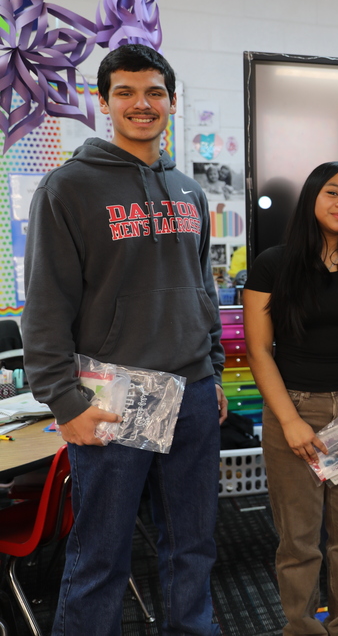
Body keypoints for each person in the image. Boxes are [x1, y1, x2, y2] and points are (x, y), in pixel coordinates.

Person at [22, 44, 227, 635]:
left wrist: (211, 369)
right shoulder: (68, 189)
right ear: (104, 102)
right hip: (115, 394)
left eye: (155, 92)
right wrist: (65, 402)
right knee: (101, 555)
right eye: (127, 93)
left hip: (190, 389)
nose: (143, 104)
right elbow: (46, 305)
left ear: (171, 101)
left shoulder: (187, 190)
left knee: (193, 546)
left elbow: (201, 286)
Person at [243, 161, 338, 635]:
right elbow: (258, 350)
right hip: (295, 409)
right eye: (333, 192)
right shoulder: (273, 262)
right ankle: (302, 629)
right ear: (312, 197)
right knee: (299, 541)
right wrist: (288, 420)